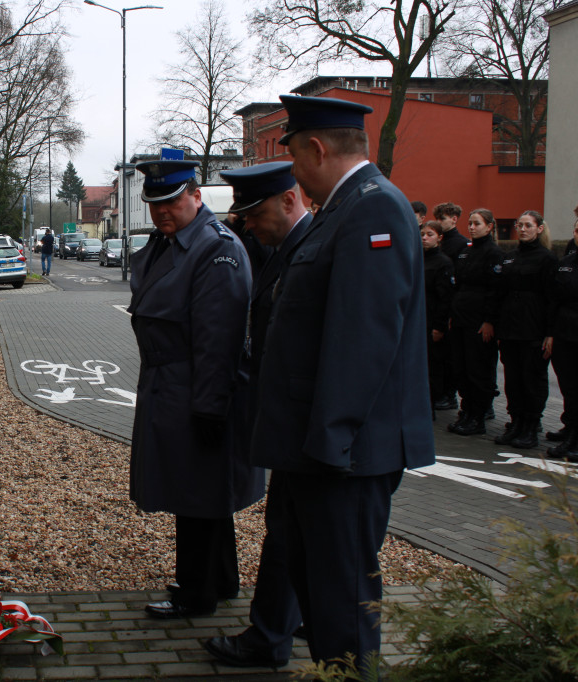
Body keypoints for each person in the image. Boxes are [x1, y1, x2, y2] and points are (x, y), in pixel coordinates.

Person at [205, 96, 434, 669]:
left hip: (345, 454)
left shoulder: (374, 209)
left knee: (343, 601)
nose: (296, 176)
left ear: (316, 148)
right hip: (318, 448)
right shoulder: (344, 209)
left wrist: (330, 441)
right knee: (316, 584)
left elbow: (365, 339)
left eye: (294, 157)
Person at [127, 159, 264, 620]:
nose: (162, 211)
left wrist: (209, 407)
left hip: (196, 388)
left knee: (198, 494)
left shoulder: (214, 248)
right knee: (201, 494)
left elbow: (219, 339)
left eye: (171, 201)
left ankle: (196, 593)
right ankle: (219, 579)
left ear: (195, 196)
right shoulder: (176, 243)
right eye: (154, 203)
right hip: (173, 384)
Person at [213, 161, 312, 664]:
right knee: (288, 533)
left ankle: (271, 637)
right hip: (290, 422)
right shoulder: (282, 250)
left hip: (308, 429)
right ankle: (287, 625)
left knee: (297, 536)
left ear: (289, 200)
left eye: (255, 212)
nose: (246, 223)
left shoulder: (309, 251)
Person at [493, 211, 557, 448]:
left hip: (533, 329)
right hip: (510, 328)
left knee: (532, 380)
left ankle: (530, 426)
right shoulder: (510, 257)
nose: (522, 229)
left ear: (539, 229)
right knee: (513, 380)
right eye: (519, 225)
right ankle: (516, 422)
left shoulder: (547, 259)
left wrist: (550, 332)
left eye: (528, 225)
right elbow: (500, 294)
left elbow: (552, 299)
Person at [447, 209, 505, 437]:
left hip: (479, 321)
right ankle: (467, 411)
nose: (472, 227)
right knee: (461, 368)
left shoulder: (494, 254)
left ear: (489, 226)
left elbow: (495, 291)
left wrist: (489, 320)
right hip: (461, 318)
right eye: (470, 223)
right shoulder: (466, 252)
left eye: (477, 223)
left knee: (478, 370)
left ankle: (478, 416)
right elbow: (458, 285)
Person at [433, 201, 467, 412]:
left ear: (454, 219)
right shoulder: (441, 243)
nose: (439, 223)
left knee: (450, 356)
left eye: (442, 219)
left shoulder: (460, 245)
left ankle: (450, 394)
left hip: (451, 304)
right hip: (437, 305)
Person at [547, 237, 578, 460]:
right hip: (564, 330)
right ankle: (571, 432)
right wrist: (550, 332)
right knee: (569, 387)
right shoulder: (567, 262)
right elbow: (554, 299)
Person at [421, 221, 455, 416]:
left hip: (432, 322)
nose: (425, 237)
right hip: (419, 320)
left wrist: (439, 327)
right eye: (423, 234)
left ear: (439, 238)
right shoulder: (417, 258)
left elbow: (445, 298)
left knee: (433, 367)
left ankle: (431, 406)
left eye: (430, 234)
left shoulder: (443, 263)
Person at [221, 201, 273, 277]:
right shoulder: (227, 230)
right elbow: (222, 245)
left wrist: (252, 230)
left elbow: (268, 257)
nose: (248, 224)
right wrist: (230, 224)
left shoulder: (261, 233)